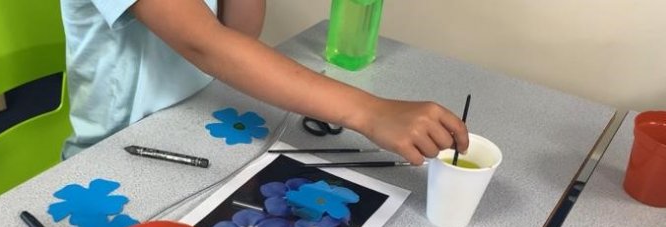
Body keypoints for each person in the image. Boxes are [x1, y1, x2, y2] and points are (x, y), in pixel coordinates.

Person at [60, 0, 469, 163]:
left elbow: (241, 29)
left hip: (199, 119)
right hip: (120, 147)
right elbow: (207, 44)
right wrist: (371, 111)